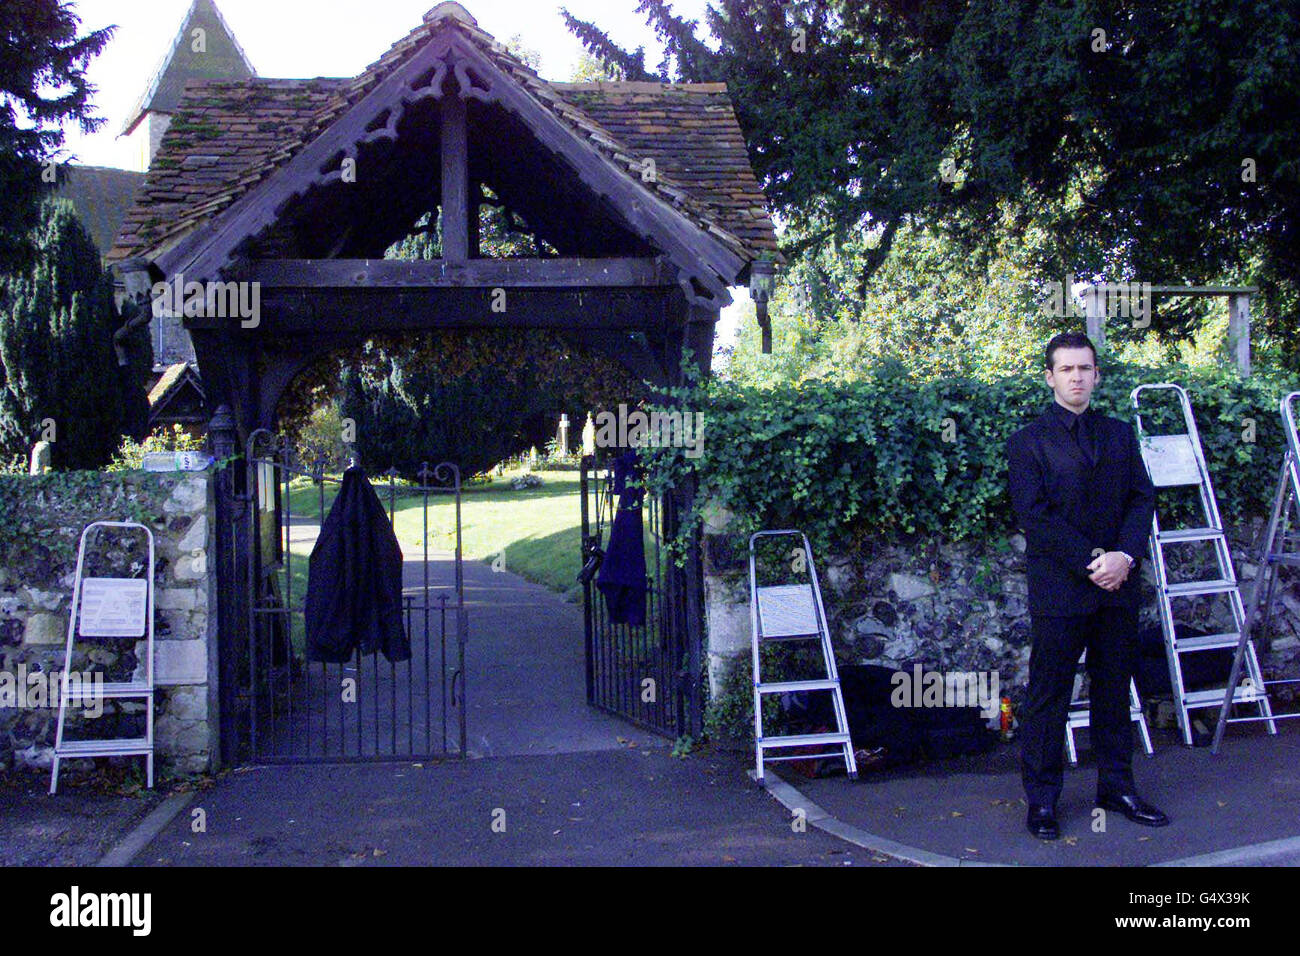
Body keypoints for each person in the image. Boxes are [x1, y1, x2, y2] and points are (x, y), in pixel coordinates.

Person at [1006, 331, 1169, 840]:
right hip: (1061, 588)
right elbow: (1035, 516)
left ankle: (1116, 788)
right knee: (1048, 694)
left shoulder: (1121, 434)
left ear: (1097, 375)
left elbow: (1142, 499)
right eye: (1067, 369)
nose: (1077, 377)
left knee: (1115, 688)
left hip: (1119, 584)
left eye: (1085, 368)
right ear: (1050, 376)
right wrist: (1094, 560)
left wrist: (1124, 556)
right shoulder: (1027, 441)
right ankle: (1043, 801)